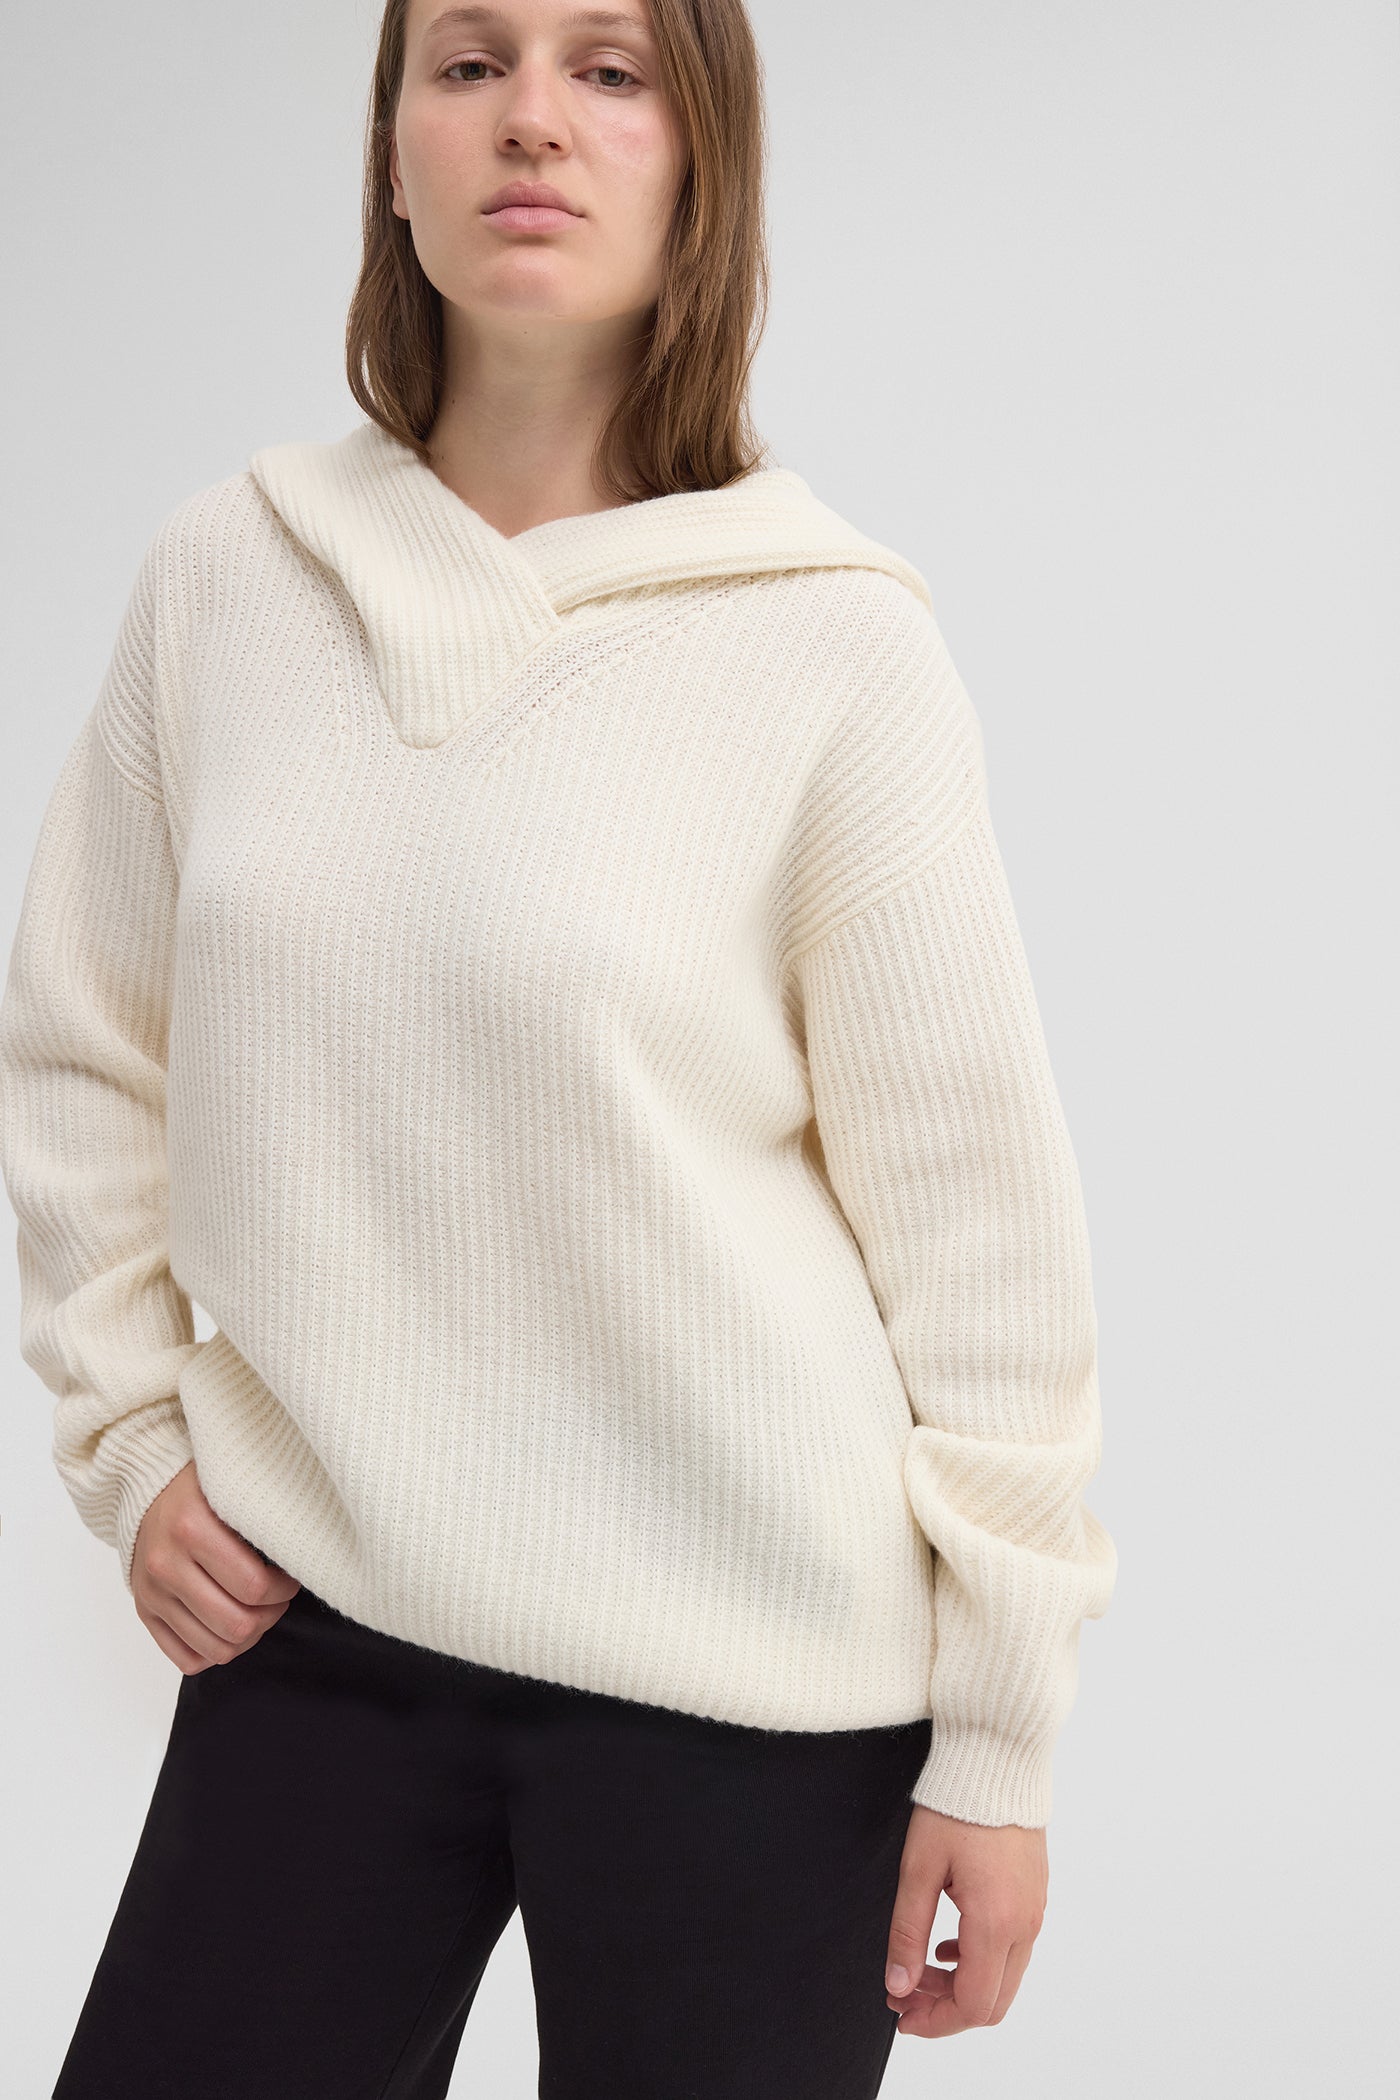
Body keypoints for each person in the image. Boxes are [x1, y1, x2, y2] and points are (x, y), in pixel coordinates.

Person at [0, 0, 1119, 2094]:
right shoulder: (231, 578)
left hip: (755, 1684)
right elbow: (83, 1052)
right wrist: (134, 1434)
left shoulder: (832, 644)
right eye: (469, 62)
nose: (534, 118)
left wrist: (1000, 1735)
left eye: (610, 70)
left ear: (703, 163)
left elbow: (979, 1231)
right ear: (392, 152)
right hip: (322, 1621)